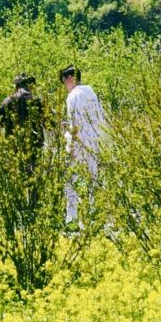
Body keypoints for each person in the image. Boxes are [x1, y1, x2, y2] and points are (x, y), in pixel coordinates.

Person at [60, 66, 107, 224]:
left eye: (64, 82)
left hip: (79, 144)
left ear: (70, 79)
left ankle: (72, 216)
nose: (65, 86)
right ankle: (93, 213)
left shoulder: (73, 96)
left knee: (71, 179)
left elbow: (75, 124)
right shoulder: (91, 93)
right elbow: (99, 117)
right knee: (93, 179)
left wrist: (71, 147)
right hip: (95, 141)